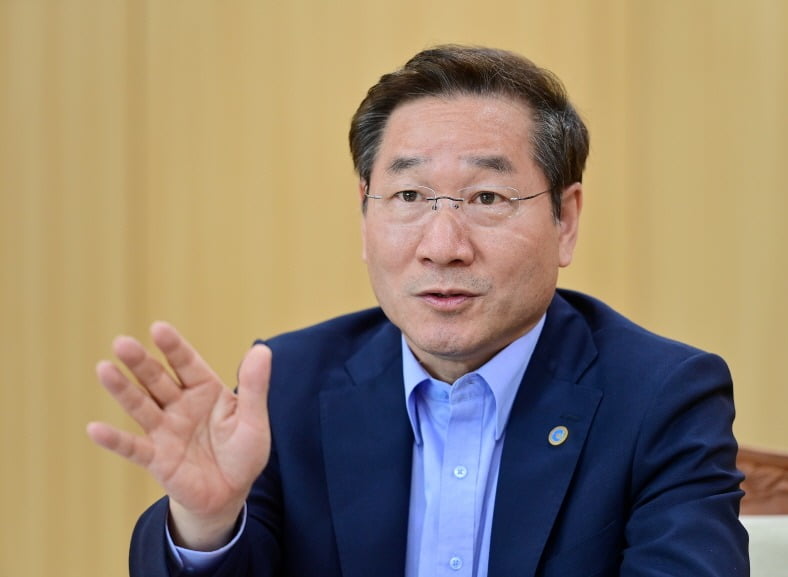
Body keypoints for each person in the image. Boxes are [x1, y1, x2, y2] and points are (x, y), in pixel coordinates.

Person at [87, 45, 749, 577]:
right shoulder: (289, 383)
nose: (442, 246)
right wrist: (209, 524)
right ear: (364, 213)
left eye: (487, 198)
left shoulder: (661, 396)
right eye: (408, 196)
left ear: (566, 219)